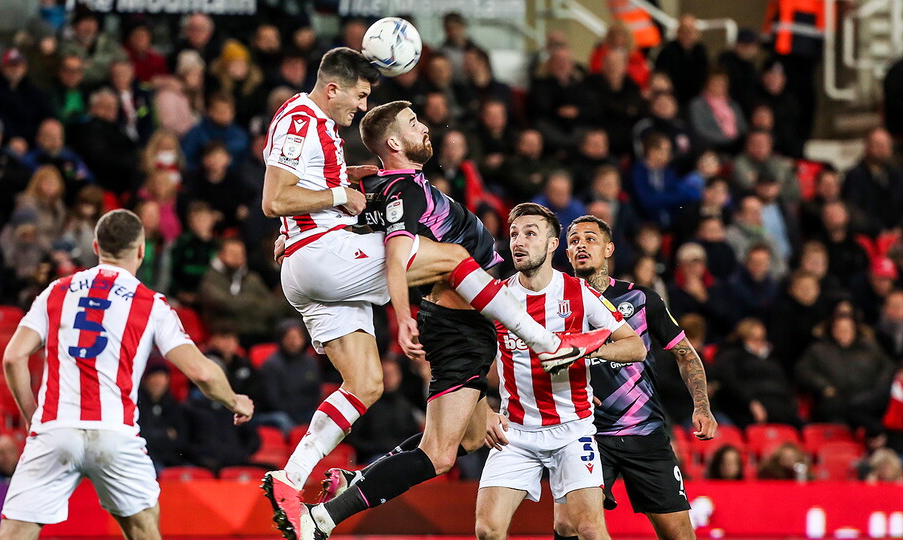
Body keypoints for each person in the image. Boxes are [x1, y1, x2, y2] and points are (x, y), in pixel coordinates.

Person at [260, 56, 599, 530]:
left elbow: (338, 194)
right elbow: (280, 199)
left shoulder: (374, 176)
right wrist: (403, 318)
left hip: (330, 262)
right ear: (334, 88)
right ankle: (549, 345)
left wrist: (311, 219)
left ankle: (296, 479)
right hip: (436, 311)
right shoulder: (309, 122)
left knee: (376, 390)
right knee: (455, 262)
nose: (361, 107)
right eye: (360, 96)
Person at [0, 209, 254, 540]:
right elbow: (201, 371)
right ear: (142, 250)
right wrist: (235, 401)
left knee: (15, 534)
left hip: (55, 429)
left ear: (95, 246)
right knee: (144, 528)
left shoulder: (57, 291)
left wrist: (33, 416)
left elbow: (14, 357)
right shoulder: (151, 304)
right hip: (114, 434)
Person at [476, 204, 645, 540]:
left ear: (553, 244)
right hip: (517, 430)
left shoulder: (580, 293)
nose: (518, 242)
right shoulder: (497, 297)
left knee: (588, 528)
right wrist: (483, 408)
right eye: (513, 235)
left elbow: (635, 345)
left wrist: (585, 351)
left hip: (572, 429)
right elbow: (470, 360)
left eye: (529, 233)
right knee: (487, 530)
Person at [564, 214, 718, 540]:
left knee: (680, 536)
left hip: (645, 435)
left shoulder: (642, 299)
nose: (581, 245)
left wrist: (702, 406)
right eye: (574, 241)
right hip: (584, 436)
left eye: (590, 239)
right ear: (566, 254)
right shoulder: (556, 304)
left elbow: (686, 354)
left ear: (609, 248)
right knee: (573, 529)